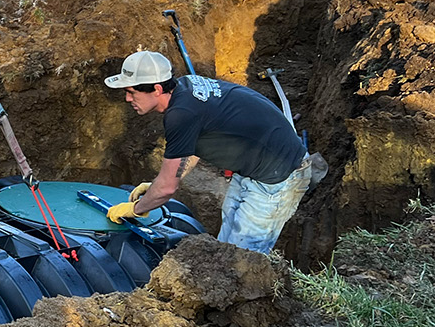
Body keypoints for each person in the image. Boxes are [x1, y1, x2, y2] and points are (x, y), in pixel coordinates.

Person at [102, 49, 312, 256]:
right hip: (254, 168)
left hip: (278, 177)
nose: (128, 99)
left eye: (132, 92)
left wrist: (136, 208)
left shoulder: (180, 114)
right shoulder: (185, 89)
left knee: (243, 261)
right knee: (226, 248)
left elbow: (167, 188)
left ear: (156, 89)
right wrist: (155, 187)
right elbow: (189, 150)